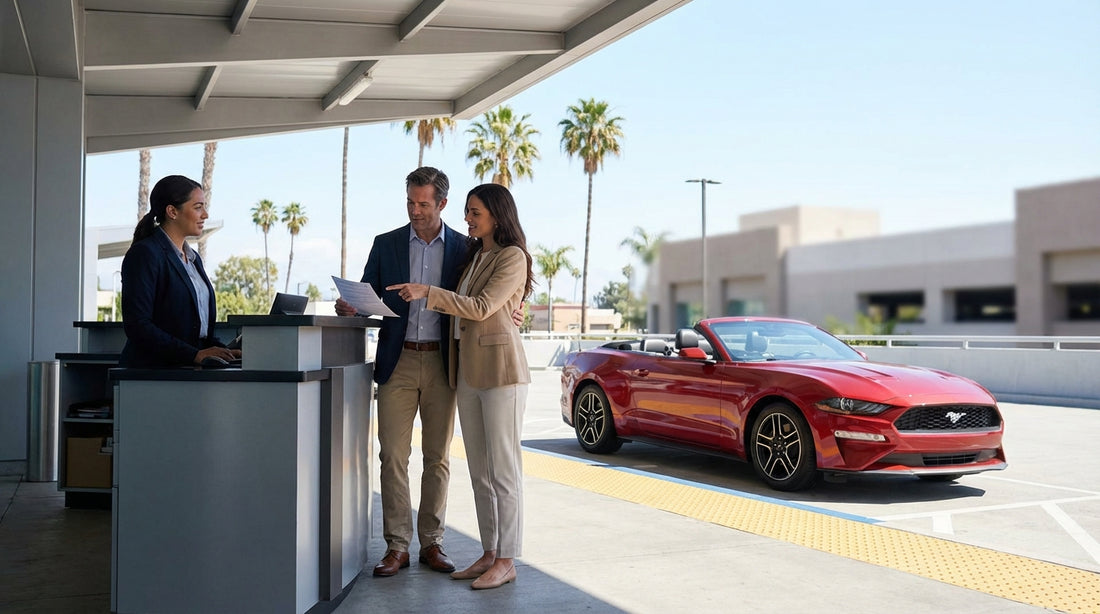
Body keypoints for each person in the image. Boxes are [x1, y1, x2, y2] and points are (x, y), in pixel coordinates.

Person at [389, 183, 534, 591]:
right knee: (480, 471)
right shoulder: (476, 255)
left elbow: (483, 307)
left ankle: (508, 558)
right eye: (468, 212)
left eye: (475, 213)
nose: (468, 219)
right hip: (467, 372)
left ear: (497, 215)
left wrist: (428, 292)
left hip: (501, 372)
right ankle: (490, 551)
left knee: (504, 470)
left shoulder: (512, 256)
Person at [334, 167, 468, 577]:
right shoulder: (386, 244)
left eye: (423, 204)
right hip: (399, 360)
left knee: (438, 457)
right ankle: (397, 546)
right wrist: (352, 306)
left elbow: (479, 300)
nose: (414, 210)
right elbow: (366, 292)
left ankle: (432, 543)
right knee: (392, 454)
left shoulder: (466, 248)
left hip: (445, 362)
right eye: (410, 202)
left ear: (442, 203)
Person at [120, 175, 238, 368]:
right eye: (198, 207)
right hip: (152, 373)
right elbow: (137, 326)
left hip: (186, 370)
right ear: (172, 211)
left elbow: (194, 327)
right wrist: (194, 355)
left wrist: (221, 350)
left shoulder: (193, 259)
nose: (205, 215)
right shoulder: (145, 254)